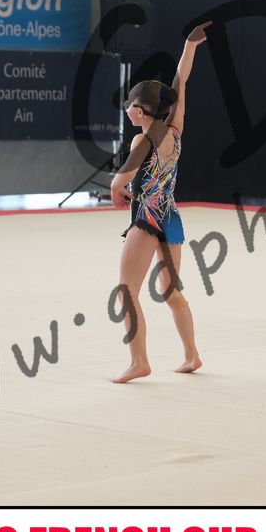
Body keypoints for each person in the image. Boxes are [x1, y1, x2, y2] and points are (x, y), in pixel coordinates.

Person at [108, 21, 211, 382]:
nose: (127, 109)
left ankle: (139, 360)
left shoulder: (143, 140)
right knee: (171, 292)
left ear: (140, 110)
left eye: (130, 104)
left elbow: (123, 177)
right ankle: (192, 354)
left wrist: (116, 186)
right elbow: (180, 84)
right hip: (171, 218)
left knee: (127, 291)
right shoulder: (174, 130)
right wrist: (190, 46)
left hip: (148, 220)